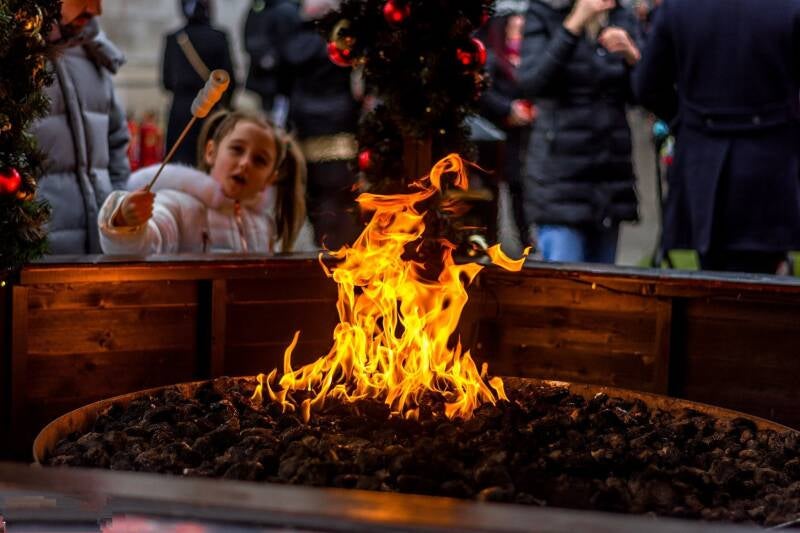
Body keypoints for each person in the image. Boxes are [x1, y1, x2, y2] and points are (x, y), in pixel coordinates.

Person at [633, 0, 800, 274]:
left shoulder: (679, 9)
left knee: (713, 278)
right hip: (770, 167)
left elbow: (647, 85)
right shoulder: (789, 7)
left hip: (703, 164)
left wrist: (683, 122)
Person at [517, 0, 641, 263]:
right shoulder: (545, 13)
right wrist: (572, 25)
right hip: (560, 181)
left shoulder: (622, 16)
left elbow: (642, 94)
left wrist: (633, 56)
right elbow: (532, 82)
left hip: (609, 177)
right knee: (565, 288)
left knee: (605, 287)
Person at [98, 109, 306, 255]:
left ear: (270, 179)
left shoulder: (264, 226)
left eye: (259, 160)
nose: (245, 164)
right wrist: (126, 223)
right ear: (211, 152)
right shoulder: (177, 205)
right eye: (237, 149)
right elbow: (148, 244)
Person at [256, 0, 363, 250]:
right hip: (341, 124)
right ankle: (343, 250)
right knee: (342, 193)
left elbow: (279, 84)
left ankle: (322, 244)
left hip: (306, 126)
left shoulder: (293, 45)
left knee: (313, 194)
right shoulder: (344, 42)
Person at [32, 0, 130, 254]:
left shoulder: (94, 54)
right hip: (36, 248)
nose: (93, 10)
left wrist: (115, 205)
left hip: (99, 246)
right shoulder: (16, 58)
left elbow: (116, 141)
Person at [480, 4, 536, 247]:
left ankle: (523, 241)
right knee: (496, 190)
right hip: (499, 137)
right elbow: (485, 94)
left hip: (521, 137)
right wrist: (508, 109)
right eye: (514, 29)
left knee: (518, 190)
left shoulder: (526, 60)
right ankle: (492, 239)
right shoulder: (494, 59)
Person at [162, 0, 236, 165]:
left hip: (180, 111)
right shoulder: (219, 37)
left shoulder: (174, 38)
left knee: (179, 164)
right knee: (209, 161)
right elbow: (230, 79)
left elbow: (166, 81)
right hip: (212, 108)